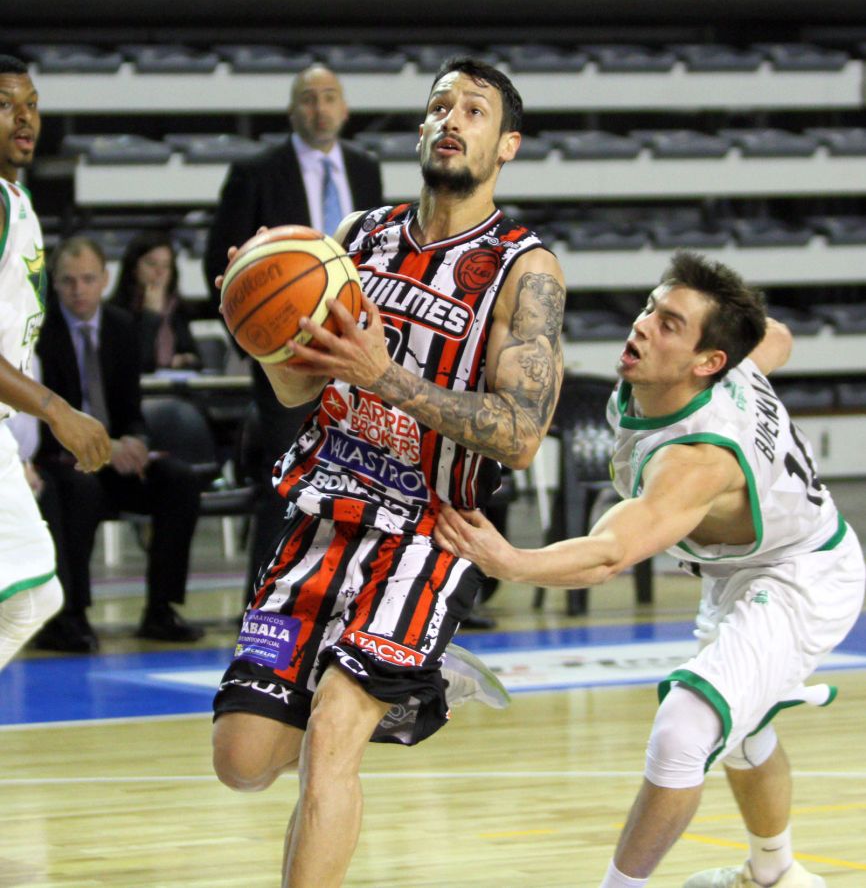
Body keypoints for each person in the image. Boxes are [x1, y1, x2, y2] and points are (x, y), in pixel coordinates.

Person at [210, 57, 565, 888]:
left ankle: (406, 658)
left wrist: (387, 377)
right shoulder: (356, 237)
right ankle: (426, 676)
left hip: (428, 534)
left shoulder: (525, 269)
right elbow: (299, 387)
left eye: (474, 110)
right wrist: (259, 323)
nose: (452, 119)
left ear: (506, 145)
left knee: (334, 738)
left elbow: (520, 436)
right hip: (324, 510)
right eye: (440, 105)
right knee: (243, 760)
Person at [435, 251, 866, 888]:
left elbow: (609, 553)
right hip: (743, 568)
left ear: (706, 362)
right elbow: (776, 336)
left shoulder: (695, 459)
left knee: (685, 728)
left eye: (669, 325)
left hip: (802, 575)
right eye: (650, 309)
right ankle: (775, 872)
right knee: (742, 730)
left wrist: (511, 560)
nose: (642, 325)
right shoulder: (713, 367)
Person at [203, 64, 384, 606]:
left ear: (344, 109)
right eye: (308, 98)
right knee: (288, 482)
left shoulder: (366, 168)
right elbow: (221, 267)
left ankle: (355, 604)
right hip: (288, 357)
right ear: (292, 110)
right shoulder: (256, 171)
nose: (319, 108)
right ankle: (263, 608)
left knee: (363, 481)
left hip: (355, 348)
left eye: (329, 97)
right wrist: (260, 345)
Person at [33, 235, 204, 652]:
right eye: (68, 280)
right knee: (80, 489)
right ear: (55, 283)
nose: (78, 289)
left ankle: (161, 609)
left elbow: (131, 408)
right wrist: (104, 447)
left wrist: (136, 440)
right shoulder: (40, 332)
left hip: (112, 457)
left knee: (179, 481)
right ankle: (70, 616)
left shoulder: (121, 327)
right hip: (61, 459)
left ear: (105, 280)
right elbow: (40, 423)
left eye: (88, 279)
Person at [0, 54, 111, 670]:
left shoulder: (16, 200)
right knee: (35, 592)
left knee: (36, 595)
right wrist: (58, 412)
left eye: (32, 104)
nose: (24, 118)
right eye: (5, 105)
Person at [111, 229, 201, 373]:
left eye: (166, 265)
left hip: (174, 383)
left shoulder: (176, 307)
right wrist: (150, 315)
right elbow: (138, 365)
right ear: (134, 268)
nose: (160, 272)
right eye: (151, 264)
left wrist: (186, 360)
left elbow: (195, 358)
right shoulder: (117, 312)